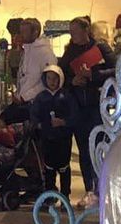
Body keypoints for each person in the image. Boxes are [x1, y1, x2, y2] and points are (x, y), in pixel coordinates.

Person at [60, 16, 115, 206]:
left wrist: (93, 75)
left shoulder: (101, 48)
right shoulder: (70, 52)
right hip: (78, 107)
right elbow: (60, 75)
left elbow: (115, 70)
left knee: (99, 146)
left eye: (75, 31)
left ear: (85, 31)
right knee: (84, 149)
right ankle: (89, 190)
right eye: (71, 32)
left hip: (96, 105)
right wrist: (72, 81)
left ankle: (102, 188)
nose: (72, 35)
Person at [31, 65, 76, 195]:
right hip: (47, 138)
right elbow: (34, 115)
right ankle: (50, 196)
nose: (52, 81)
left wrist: (64, 122)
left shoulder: (66, 96)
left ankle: (65, 196)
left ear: (60, 79)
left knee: (64, 168)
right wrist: (39, 125)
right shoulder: (41, 97)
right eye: (49, 78)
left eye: (55, 78)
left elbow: (74, 115)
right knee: (49, 168)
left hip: (63, 139)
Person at [12, 18, 57, 106]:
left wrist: (25, 96)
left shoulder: (45, 53)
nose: (21, 34)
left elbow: (48, 82)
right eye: (21, 31)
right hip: (23, 100)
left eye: (25, 31)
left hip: (36, 103)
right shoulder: (27, 51)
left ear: (35, 32)